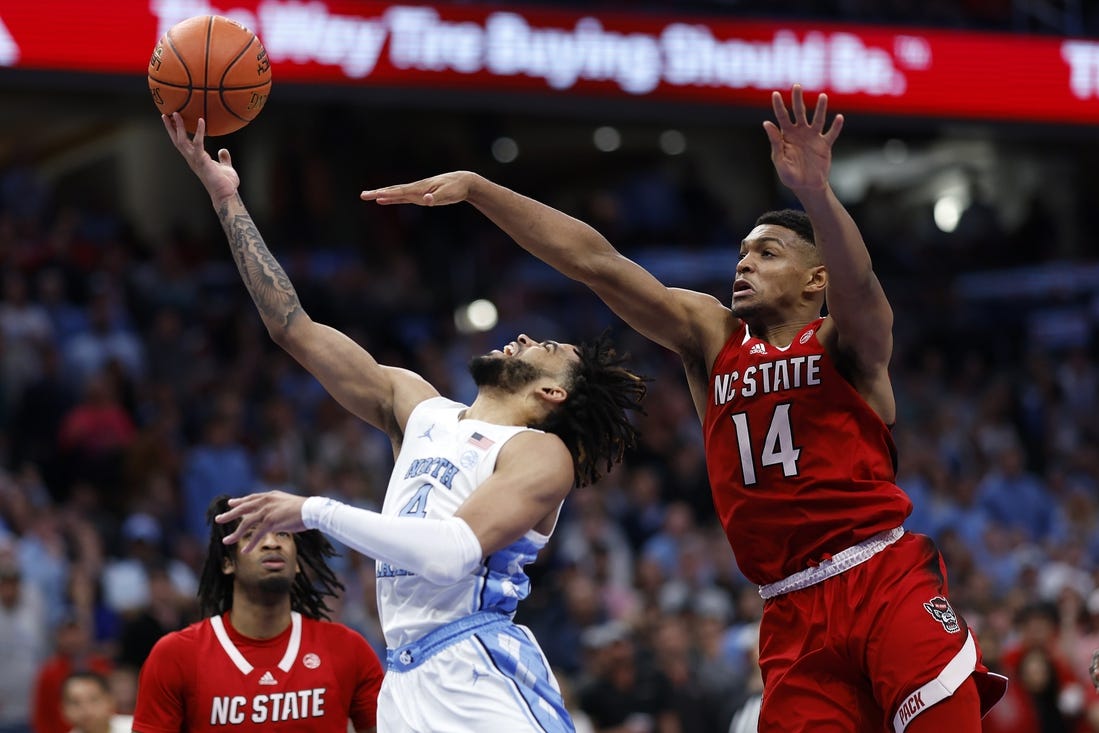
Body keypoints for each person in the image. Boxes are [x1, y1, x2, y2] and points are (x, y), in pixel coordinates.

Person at [359, 84, 1008, 731]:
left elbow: (861, 286)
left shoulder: (844, 343)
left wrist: (814, 192)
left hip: (879, 578)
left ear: (816, 280)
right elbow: (598, 264)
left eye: (767, 252)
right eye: (742, 252)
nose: (744, 263)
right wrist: (479, 188)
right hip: (787, 610)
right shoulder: (713, 337)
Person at [161, 112, 647, 732]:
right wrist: (226, 199)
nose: (523, 337)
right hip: (405, 680)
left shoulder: (537, 454)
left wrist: (312, 510)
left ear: (553, 392)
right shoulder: (417, 406)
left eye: (544, 348)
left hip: (479, 671)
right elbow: (292, 328)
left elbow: (450, 556)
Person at [131, 496, 383, 732]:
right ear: (227, 563)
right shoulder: (175, 655)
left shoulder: (348, 649)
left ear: (296, 563)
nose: (271, 542)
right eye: (252, 534)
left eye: (283, 533)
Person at [59, 672, 132, 733]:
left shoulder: (135, 728)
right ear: (63, 709)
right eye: (75, 703)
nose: (85, 709)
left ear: (110, 701)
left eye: (94, 699)